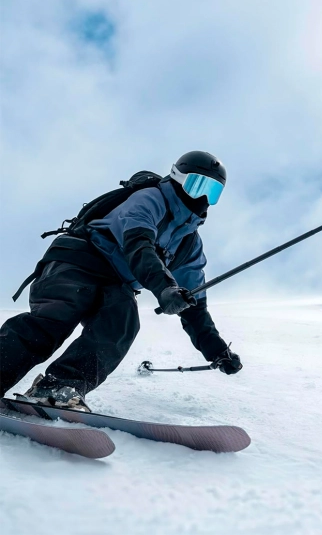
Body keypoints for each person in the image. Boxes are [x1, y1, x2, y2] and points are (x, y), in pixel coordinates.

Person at [0, 151, 242, 412]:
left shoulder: (189, 244)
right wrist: (165, 288)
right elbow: (138, 245)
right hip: (78, 260)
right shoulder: (150, 199)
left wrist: (217, 350)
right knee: (56, 317)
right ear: (178, 178)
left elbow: (195, 308)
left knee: (121, 323)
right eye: (197, 185)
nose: (203, 197)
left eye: (213, 192)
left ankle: (58, 388)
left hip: (115, 281)